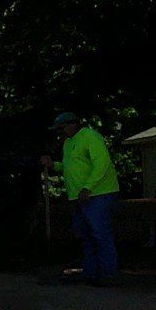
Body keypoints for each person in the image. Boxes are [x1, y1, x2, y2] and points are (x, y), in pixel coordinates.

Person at [50, 112, 120, 283]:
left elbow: (102, 163)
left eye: (61, 129)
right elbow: (70, 167)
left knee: (100, 234)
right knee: (85, 236)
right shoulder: (67, 143)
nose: (60, 133)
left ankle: (108, 274)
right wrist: (53, 165)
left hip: (98, 194)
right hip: (79, 198)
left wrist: (87, 187)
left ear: (72, 124)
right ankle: (91, 273)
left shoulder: (90, 136)